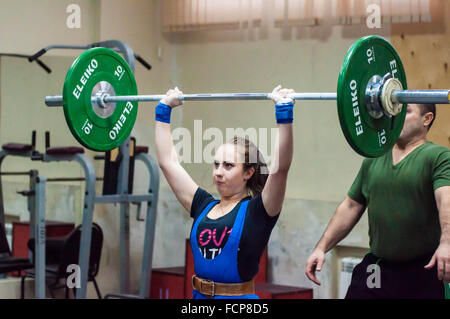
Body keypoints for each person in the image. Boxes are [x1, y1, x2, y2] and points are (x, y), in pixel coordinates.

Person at [154, 85, 295, 299]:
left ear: (248, 172)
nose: (219, 172)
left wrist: (284, 114)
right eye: (216, 164)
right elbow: (168, 162)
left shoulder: (258, 211)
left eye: (228, 166)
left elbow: (280, 169)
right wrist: (163, 110)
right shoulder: (203, 204)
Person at [305, 103, 450, 299]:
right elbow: (351, 206)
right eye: (396, 111)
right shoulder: (374, 157)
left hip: (422, 270)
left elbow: (446, 198)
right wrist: (321, 248)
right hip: (378, 269)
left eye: (406, 112)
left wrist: (447, 243)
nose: (396, 117)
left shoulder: (438, 156)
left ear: (427, 119)